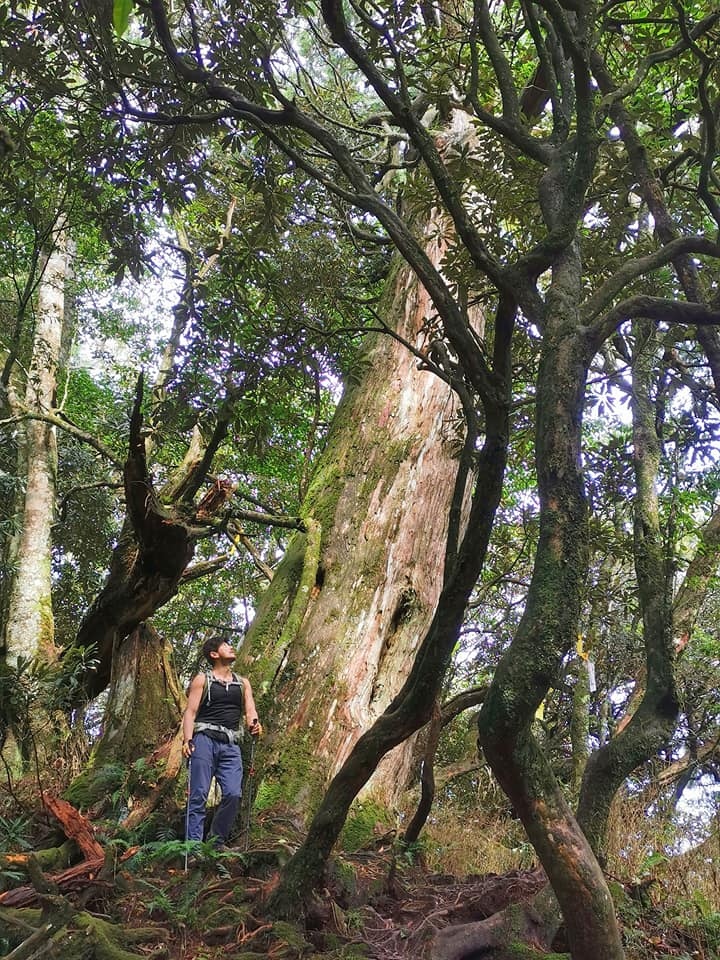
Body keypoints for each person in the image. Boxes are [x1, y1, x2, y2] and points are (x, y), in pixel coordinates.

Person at [182, 636, 262, 848]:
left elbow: (250, 709)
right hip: (203, 741)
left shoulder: (242, 683)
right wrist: (187, 740)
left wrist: (254, 724)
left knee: (233, 794)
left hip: (230, 744)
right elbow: (190, 712)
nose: (231, 647)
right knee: (198, 794)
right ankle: (194, 847)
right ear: (214, 654)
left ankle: (215, 842)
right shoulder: (202, 680)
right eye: (225, 645)